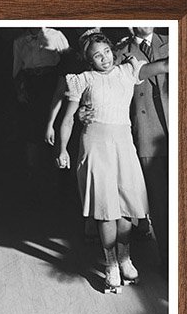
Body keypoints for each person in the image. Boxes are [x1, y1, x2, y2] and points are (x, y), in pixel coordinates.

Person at [46, 30, 169, 292]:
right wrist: (62, 149)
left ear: (112, 51)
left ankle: (125, 257)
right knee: (105, 207)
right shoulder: (83, 80)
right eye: (96, 56)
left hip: (124, 144)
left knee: (126, 204)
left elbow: (165, 65)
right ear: (89, 60)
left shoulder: (128, 71)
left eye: (105, 53)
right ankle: (111, 262)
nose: (103, 59)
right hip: (95, 145)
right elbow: (67, 119)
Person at [114, 26, 170, 268]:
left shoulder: (176, 39)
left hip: (181, 127)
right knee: (160, 202)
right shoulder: (118, 52)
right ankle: (170, 262)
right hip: (146, 131)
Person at [13, 27, 69, 188]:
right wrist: (20, 91)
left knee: (55, 127)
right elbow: (16, 69)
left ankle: (60, 177)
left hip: (52, 84)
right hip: (32, 86)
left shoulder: (55, 35)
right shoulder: (19, 41)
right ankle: (36, 179)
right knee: (33, 132)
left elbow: (67, 61)